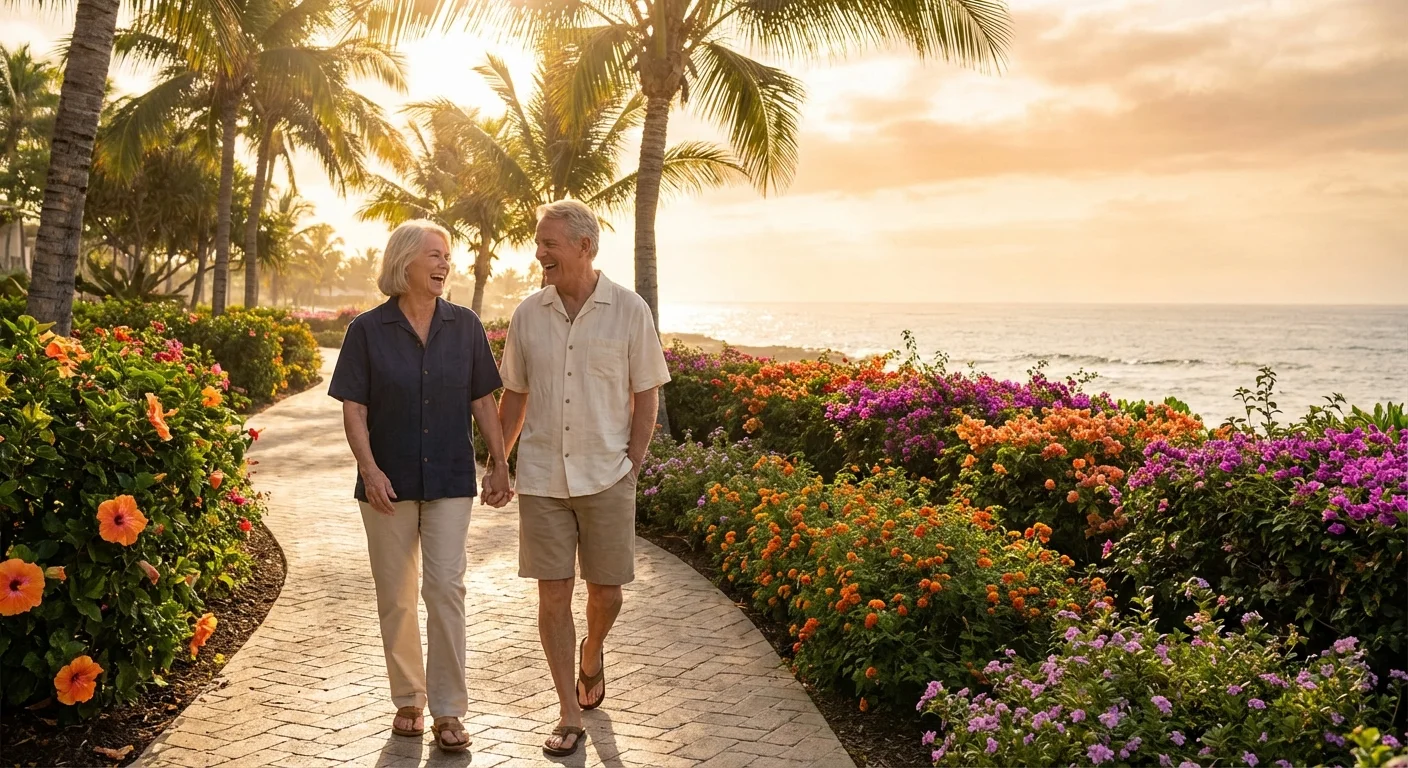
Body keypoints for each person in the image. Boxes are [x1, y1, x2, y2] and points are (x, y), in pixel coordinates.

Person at [328, 219, 512, 752]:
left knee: (446, 589)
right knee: (397, 595)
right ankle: (408, 698)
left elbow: (483, 401)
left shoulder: (465, 325)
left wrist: (500, 462)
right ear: (405, 261)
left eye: (446, 255)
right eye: (434, 254)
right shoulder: (367, 329)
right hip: (387, 482)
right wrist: (370, 470)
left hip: (452, 478)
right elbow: (354, 409)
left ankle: (450, 711)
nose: (443, 264)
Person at [496, 199, 671, 757]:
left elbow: (646, 391)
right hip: (544, 474)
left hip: (607, 474)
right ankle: (569, 713)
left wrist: (633, 463)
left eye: (549, 243)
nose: (539, 253)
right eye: (539, 242)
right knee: (552, 595)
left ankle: (591, 651)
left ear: (584, 247)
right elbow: (515, 394)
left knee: (607, 592)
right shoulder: (528, 314)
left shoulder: (629, 310)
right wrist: (500, 461)